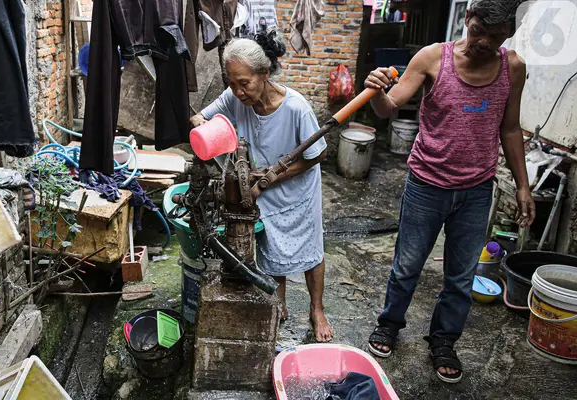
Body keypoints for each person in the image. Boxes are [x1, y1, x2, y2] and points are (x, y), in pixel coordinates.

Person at [364, 0, 534, 384]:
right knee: (407, 266)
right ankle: (389, 325)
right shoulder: (431, 59)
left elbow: (510, 128)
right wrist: (376, 91)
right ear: (467, 19)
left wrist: (523, 185)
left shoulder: (514, 68)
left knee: (461, 276)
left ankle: (444, 341)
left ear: (508, 34)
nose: (484, 43)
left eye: (495, 37)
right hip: (426, 185)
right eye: (478, 32)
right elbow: (388, 108)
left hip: (476, 191)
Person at [189, 31, 334, 343]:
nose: (238, 91)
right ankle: (277, 304)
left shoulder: (296, 108)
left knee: (311, 252)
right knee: (272, 250)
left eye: (245, 83)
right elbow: (200, 116)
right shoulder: (234, 98)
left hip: (297, 188)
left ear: (264, 74)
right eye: (232, 83)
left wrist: (273, 176)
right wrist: (202, 124)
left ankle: (317, 309)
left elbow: (318, 153)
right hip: (260, 189)